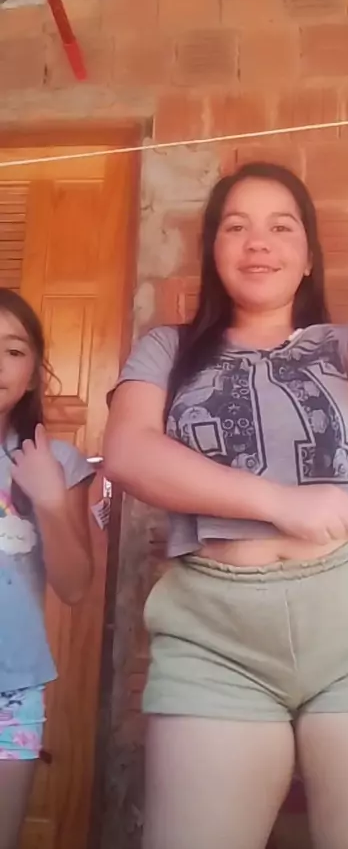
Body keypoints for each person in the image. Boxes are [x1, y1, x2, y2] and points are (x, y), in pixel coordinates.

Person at [104, 161, 348, 849]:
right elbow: (128, 452)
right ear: (213, 251)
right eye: (235, 227)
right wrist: (277, 501)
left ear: (307, 257)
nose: (258, 242)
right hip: (214, 636)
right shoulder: (167, 349)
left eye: (282, 227)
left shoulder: (343, 344)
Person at [0, 290, 94, 849]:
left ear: (34, 372)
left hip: (10, 691)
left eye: (13, 351)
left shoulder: (58, 463)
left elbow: (75, 587)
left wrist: (52, 500)